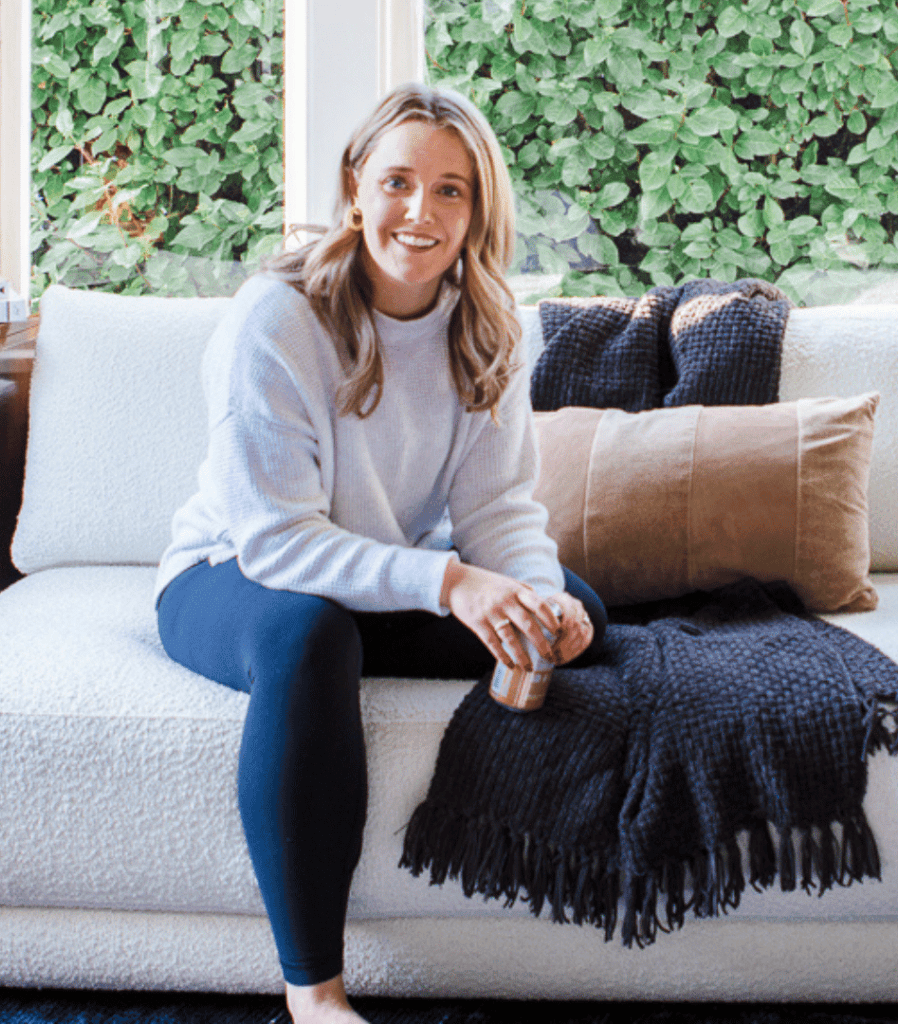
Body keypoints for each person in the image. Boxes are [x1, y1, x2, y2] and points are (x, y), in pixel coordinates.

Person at [155, 82, 607, 1024]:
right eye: (399, 180)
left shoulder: (490, 324)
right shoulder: (276, 318)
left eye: (452, 189)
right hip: (233, 574)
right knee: (310, 640)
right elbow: (276, 539)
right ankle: (314, 993)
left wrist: (525, 592)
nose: (421, 211)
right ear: (356, 186)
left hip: (374, 574)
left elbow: (498, 507)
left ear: (479, 209)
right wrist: (448, 582)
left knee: (575, 611)